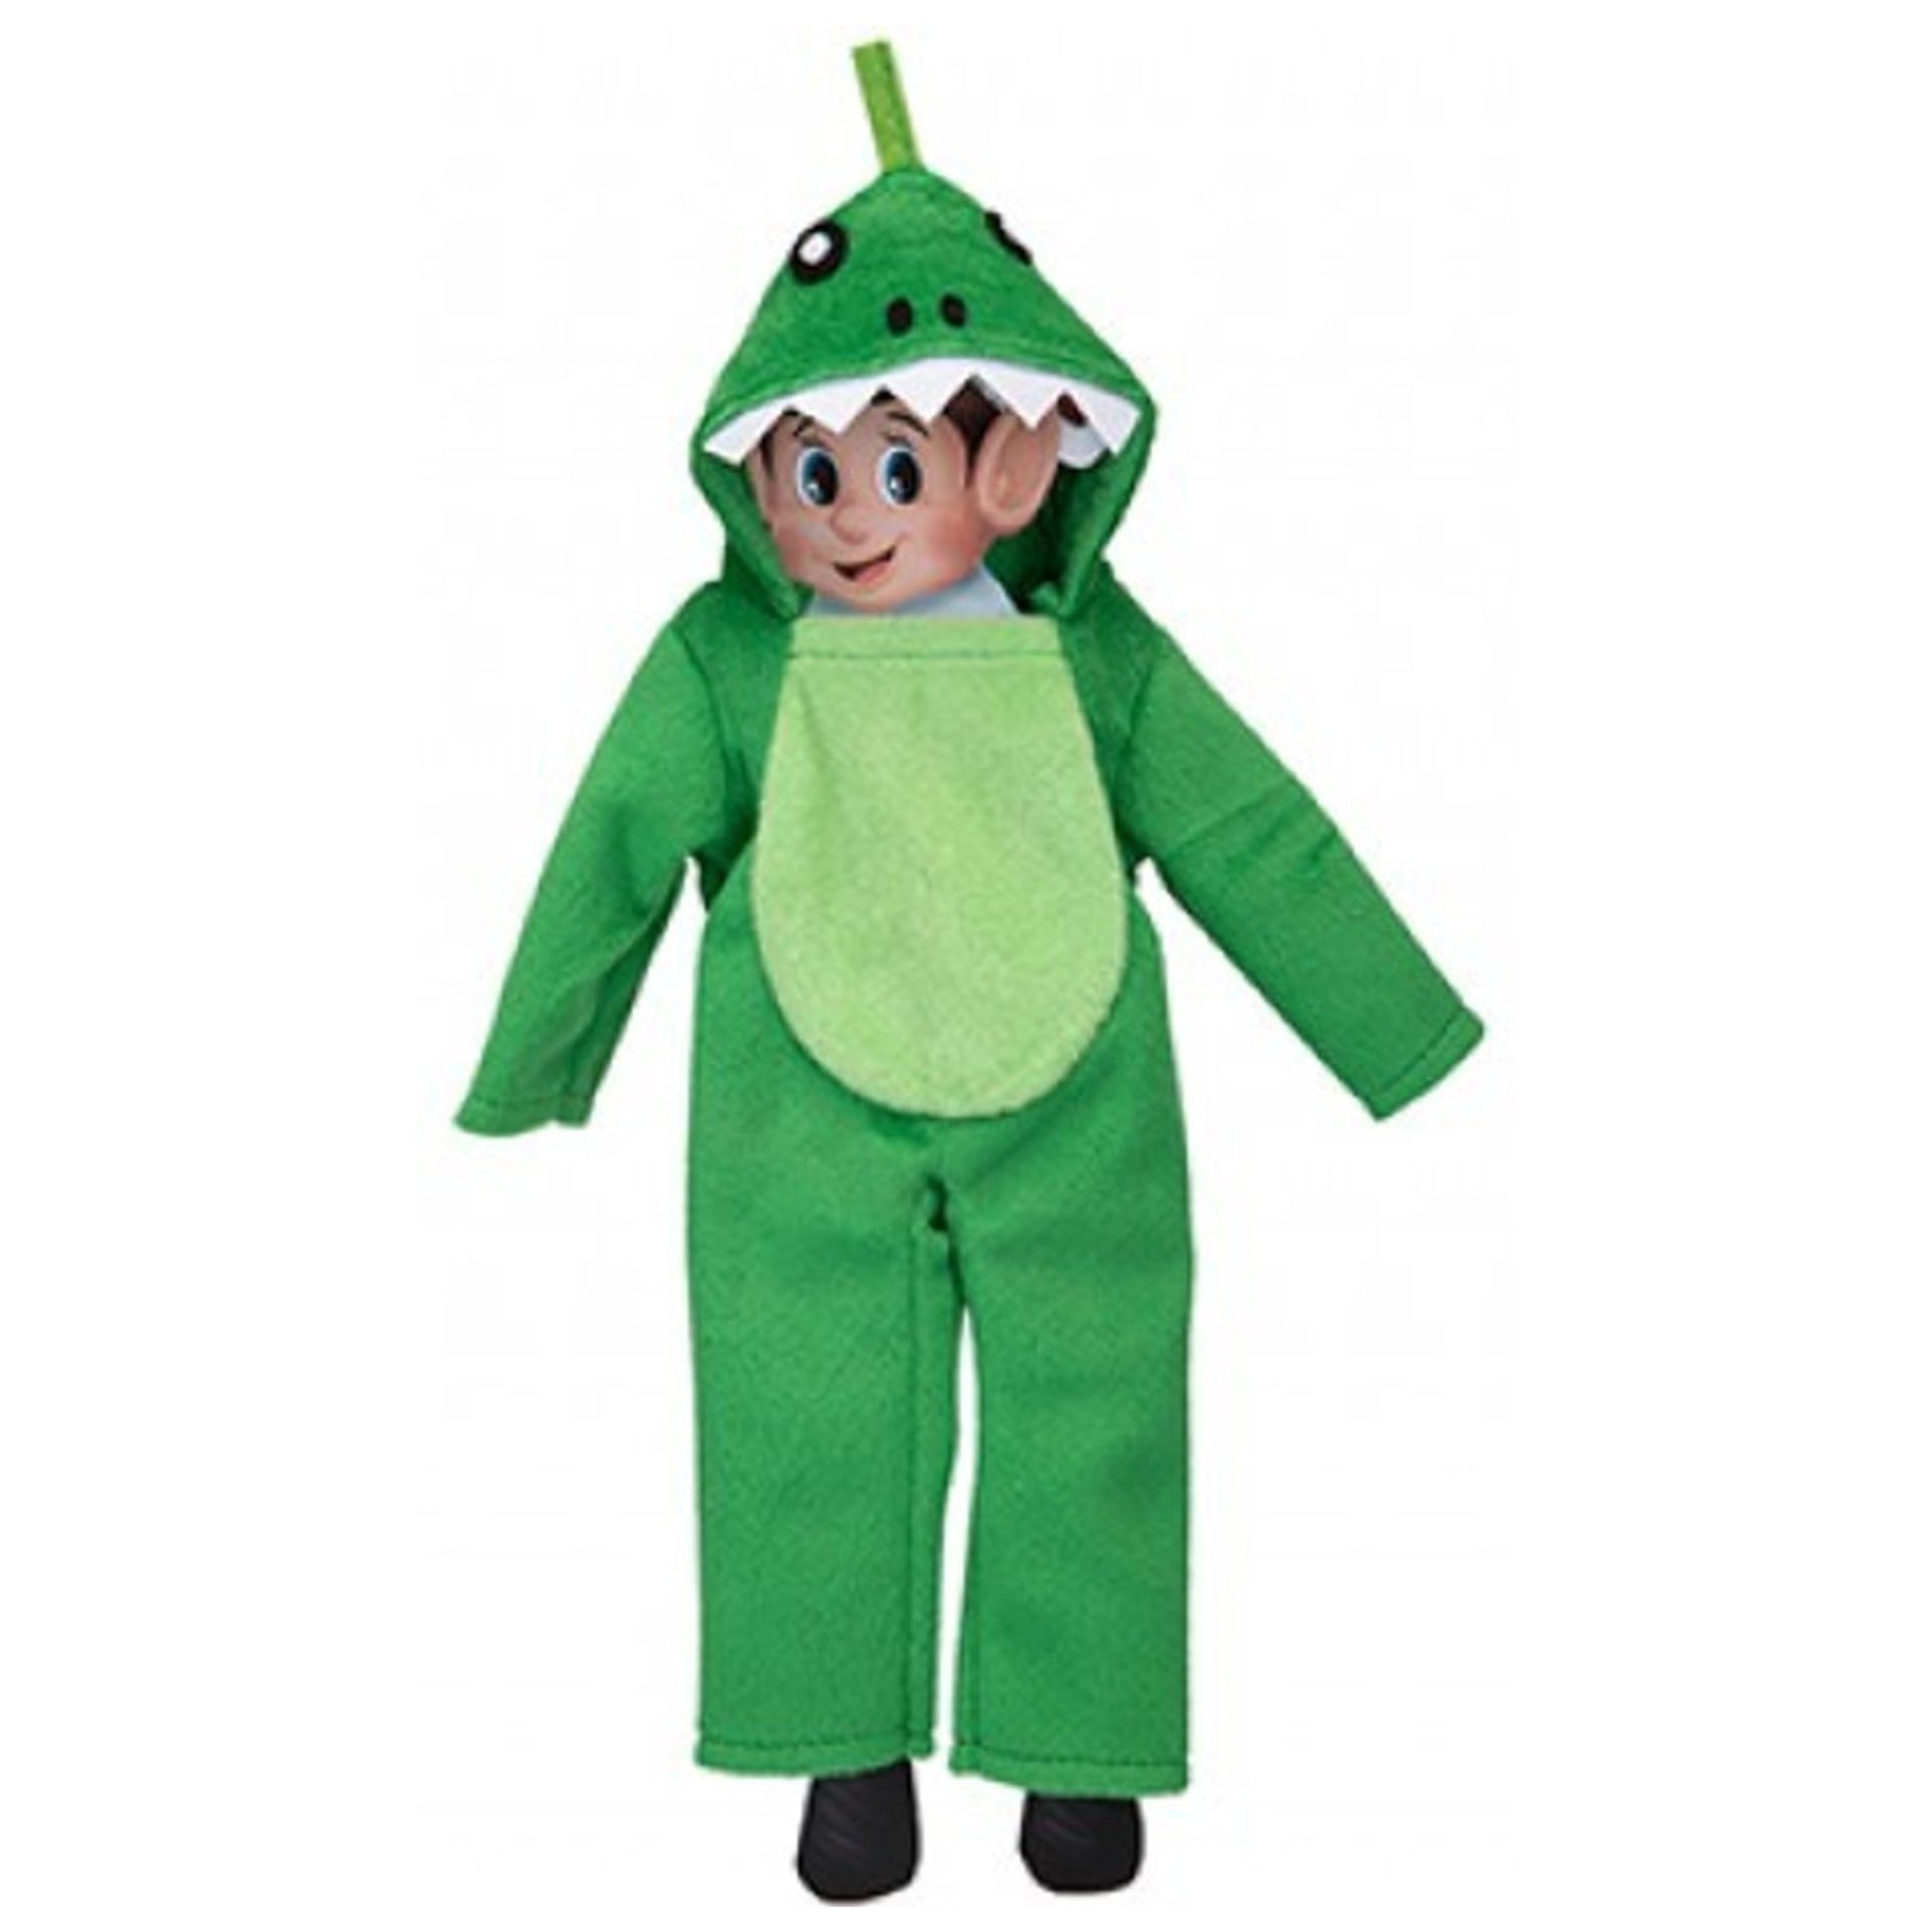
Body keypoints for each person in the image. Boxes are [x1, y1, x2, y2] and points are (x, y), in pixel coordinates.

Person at [457, 41, 1483, 1902]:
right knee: (798, 1399)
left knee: (1097, 1396)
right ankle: (842, 1754)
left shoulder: (1097, 655)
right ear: (749, 471)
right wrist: (541, 1052)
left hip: (1076, 1093)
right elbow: (610, 845)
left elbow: (1251, 833)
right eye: (808, 467)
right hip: (793, 1101)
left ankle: (1077, 1763)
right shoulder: (727, 659)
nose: (847, 509)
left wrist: (1392, 1026)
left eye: (893, 463)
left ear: (1013, 466)